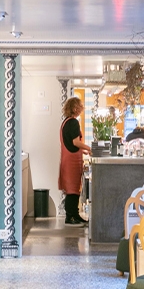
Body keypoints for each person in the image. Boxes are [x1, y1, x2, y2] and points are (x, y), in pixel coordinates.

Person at [59, 96, 91, 226]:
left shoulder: (65, 122)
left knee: (72, 188)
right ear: (75, 108)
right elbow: (75, 142)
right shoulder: (73, 123)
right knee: (73, 189)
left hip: (68, 159)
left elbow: (69, 143)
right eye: (80, 106)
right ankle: (71, 216)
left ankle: (75, 215)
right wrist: (89, 148)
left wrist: (83, 151)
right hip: (71, 161)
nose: (81, 109)